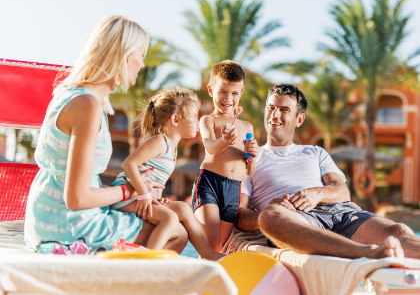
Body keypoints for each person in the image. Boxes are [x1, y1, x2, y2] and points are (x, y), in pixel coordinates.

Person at [24, 16, 188, 253]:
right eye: (141, 54)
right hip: (68, 225)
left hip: (49, 216)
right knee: (176, 234)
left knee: (172, 225)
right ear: (124, 55)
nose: (142, 64)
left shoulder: (73, 95)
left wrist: (136, 183)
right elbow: (77, 198)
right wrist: (129, 191)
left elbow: (77, 177)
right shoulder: (87, 106)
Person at [235, 83, 418, 259]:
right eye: (271, 108)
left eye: (284, 110)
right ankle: (367, 253)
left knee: (398, 232)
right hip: (297, 220)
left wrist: (318, 193)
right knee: (269, 217)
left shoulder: (315, 152)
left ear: (299, 119)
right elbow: (240, 215)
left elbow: (343, 191)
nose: (275, 115)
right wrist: (266, 211)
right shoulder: (249, 160)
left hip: (341, 213)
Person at [109, 87, 223, 260]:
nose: (197, 120)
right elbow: (129, 164)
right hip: (126, 197)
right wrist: (144, 194)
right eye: (193, 116)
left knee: (184, 208)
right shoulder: (160, 141)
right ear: (175, 119)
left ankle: (208, 254)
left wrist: (157, 196)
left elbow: (155, 176)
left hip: (142, 196)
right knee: (169, 219)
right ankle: (146, 262)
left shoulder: (172, 148)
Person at [192, 60, 259, 252]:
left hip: (233, 189)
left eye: (234, 93)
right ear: (211, 89)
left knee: (220, 247)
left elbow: (249, 170)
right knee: (211, 245)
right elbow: (210, 147)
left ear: (241, 93)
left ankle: (209, 279)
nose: (228, 98)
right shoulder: (208, 120)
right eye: (222, 91)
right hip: (209, 184)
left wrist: (252, 155)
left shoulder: (246, 127)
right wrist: (225, 141)